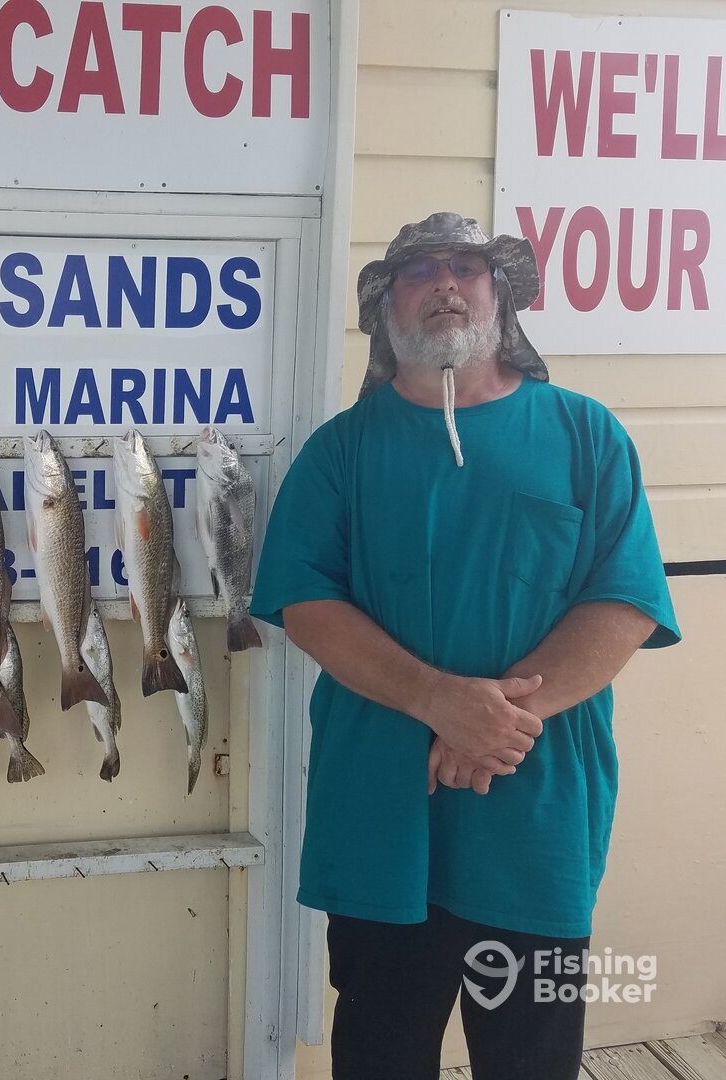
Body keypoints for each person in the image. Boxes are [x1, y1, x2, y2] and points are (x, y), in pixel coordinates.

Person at [249, 212, 679, 1080]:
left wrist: (493, 722)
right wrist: (439, 700)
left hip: (536, 822)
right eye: (418, 272)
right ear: (386, 310)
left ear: (501, 296)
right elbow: (302, 601)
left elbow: (626, 601)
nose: (445, 283)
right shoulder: (340, 453)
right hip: (380, 822)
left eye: (466, 268)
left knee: (531, 1061)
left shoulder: (585, 434)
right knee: (378, 1057)